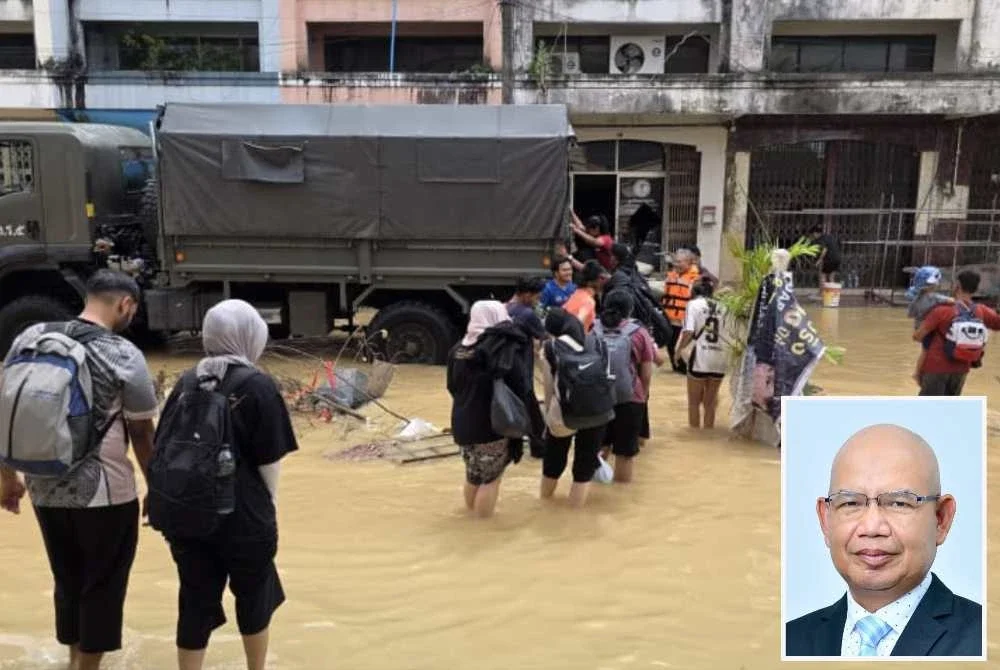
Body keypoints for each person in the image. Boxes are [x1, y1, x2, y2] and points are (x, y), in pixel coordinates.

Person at [0, 270, 158, 670]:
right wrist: (157, 489)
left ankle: (73, 659)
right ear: (125, 304)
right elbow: (142, 433)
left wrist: (7, 477)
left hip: (42, 485)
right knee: (102, 584)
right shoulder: (122, 353)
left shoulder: (31, 336)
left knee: (67, 579)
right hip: (105, 493)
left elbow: (7, 407)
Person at [154, 299, 297, 670]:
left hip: (187, 513)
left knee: (194, 600)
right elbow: (270, 461)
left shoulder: (186, 381)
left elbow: (162, 446)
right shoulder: (258, 385)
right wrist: (267, 508)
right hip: (244, 515)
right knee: (254, 598)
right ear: (250, 335)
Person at [785, 424, 981, 657]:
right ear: (825, 520)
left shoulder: (982, 639)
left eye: (899, 503)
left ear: (941, 519)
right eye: (850, 503)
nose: (872, 528)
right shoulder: (790, 640)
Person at [447, 301, 534, 518]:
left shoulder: (457, 350)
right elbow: (521, 386)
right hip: (491, 426)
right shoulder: (502, 350)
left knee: (473, 475)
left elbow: (452, 387)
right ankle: (483, 527)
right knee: (491, 479)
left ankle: (470, 517)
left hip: (462, 424)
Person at [538, 308, 609, 507]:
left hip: (565, 413)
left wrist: (547, 420)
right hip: (598, 410)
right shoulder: (598, 342)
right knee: (584, 467)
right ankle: (575, 513)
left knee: (553, 463)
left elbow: (549, 390)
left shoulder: (550, 348)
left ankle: (544, 506)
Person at [593, 291, 656, 483]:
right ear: (630, 309)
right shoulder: (639, 332)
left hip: (598, 398)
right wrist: (643, 397)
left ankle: (594, 492)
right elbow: (646, 373)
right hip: (630, 399)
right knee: (625, 454)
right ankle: (621, 495)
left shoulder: (592, 329)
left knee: (597, 451)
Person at [912, 270, 1000, 396]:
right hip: (961, 370)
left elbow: (918, 336)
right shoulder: (982, 311)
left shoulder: (941, 310)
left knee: (928, 406)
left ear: (957, 285)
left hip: (936, 367)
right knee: (951, 406)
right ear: (975, 289)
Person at [674, 278, 728, 429]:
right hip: (720, 358)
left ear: (694, 291)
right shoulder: (724, 307)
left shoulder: (693, 305)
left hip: (700, 357)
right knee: (710, 403)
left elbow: (688, 331)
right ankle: (708, 434)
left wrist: (678, 351)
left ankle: (695, 436)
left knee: (694, 403)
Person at [505, 276, 548, 458]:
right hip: (522, 372)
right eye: (537, 297)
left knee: (509, 409)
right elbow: (545, 336)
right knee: (533, 415)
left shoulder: (503, 309)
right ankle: (540, 449)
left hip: (504, 370)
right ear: (527, 295)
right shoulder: (527, 314)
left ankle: (510, 450)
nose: (538, 301)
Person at [905, 266, 955, 386]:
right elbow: (952, 301)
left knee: (925, 350)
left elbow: (910, 314)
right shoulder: (934, 297)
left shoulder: (916, 299)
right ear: (933, 284)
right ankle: (917, 373)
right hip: (929, 329)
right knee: (926, 351)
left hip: (919, 329)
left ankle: (918, 372)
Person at [661, 247, 701, 373]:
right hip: (671, 318)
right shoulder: (671, 276)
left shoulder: (696, 279)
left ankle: (685, 368)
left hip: (686, 320)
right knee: (670, 344)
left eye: (680, 262)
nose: (676, 264)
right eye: (675, 261)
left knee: (682, 345)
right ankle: (678, 366)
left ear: (689, 262)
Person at [563, 260, 605, 334]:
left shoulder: (576, 293)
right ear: (592, 281)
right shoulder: (588, 301)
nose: (603, 282)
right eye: (601, 278)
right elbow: (577, 323)